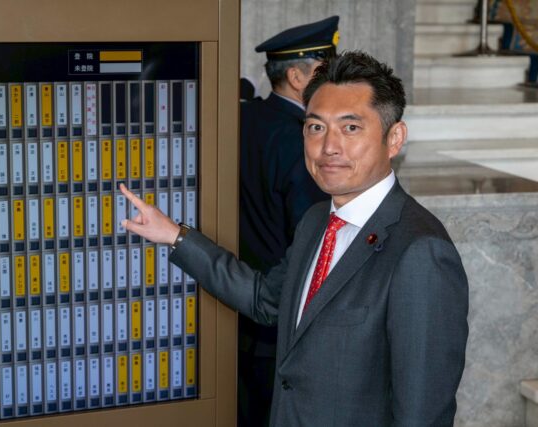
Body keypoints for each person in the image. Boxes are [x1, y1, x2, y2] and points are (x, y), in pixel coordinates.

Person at [120, 51, 469, 426]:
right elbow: (265, 301)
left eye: (351, 128)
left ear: (394, 137)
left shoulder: (420, 251)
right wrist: (175, 236)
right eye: (316, 127)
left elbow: (422, 414)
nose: (328, 147)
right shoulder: (317, 220)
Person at [239, 16, 338, 426]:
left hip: (239, 310)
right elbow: (310, 237)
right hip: (280, 323)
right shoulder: (301, 142)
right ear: (297, 78)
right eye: (324, 70)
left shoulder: (245, 119)